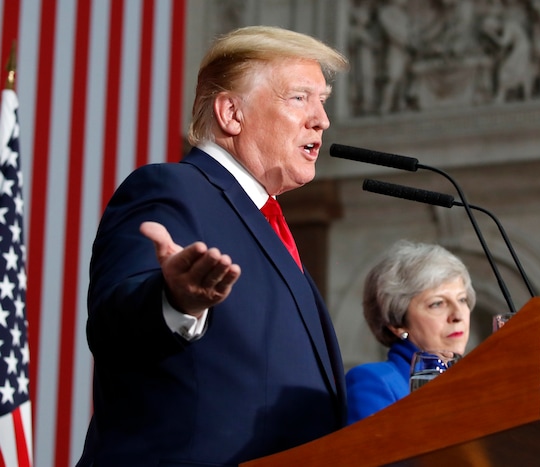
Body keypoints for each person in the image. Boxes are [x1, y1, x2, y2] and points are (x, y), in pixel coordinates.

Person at [77, 26, 349, 466]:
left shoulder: (267, 222)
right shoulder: (173, 188)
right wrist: (174, 301)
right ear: (231, 113)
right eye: (300, 98)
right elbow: (113, 323)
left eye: (322, 100)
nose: (321, 119)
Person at [345, 239, 476, 424]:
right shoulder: (376, 382)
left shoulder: (474, 385)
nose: (458, 315)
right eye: (437, 303)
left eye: (462, 300)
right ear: (397, 323)